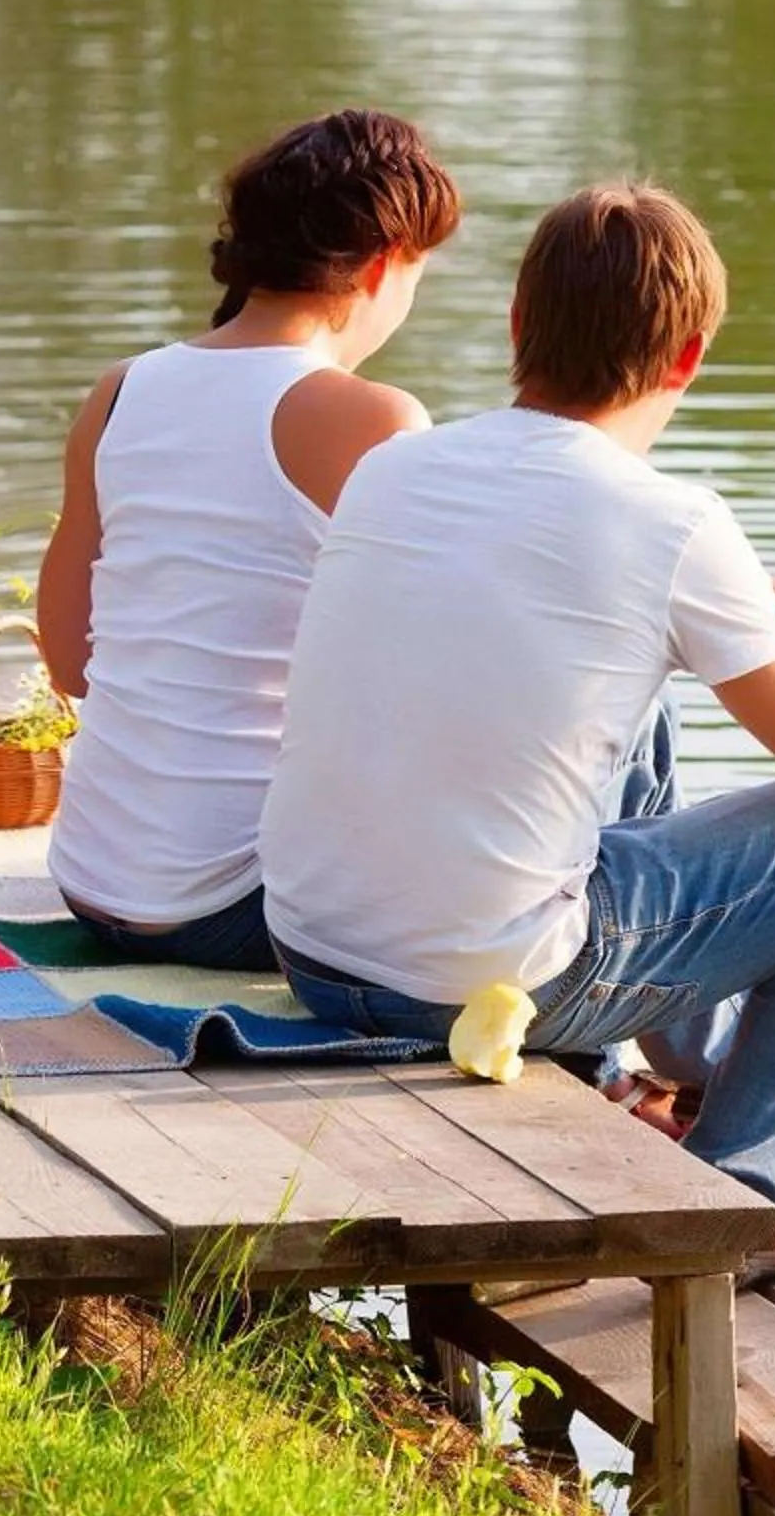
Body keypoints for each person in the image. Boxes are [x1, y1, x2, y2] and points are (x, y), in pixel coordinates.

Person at [261, 183, 775, 1282]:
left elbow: (494, 628)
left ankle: (698, 1071)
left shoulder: (395, 467)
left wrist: (701, 618)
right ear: (687, 358)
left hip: (315, 953)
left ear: (516, 327)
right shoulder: (672, 521)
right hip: (474, 985)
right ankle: (755, 1195)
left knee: (644, 693)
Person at [37, 109, 459, 970]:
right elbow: (448, 683)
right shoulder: (374, 419)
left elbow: (70, 661)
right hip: (241, 903)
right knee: (626, 711)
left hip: (93, 880)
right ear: (383, 267)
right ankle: (605, 1059)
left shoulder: (121, 392)